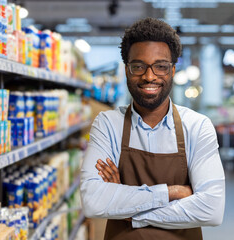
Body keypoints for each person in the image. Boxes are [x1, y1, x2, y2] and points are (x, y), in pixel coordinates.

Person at [80, 17, 225, 240]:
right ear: (127, 69)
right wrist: (172, 192)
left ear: (173, 70)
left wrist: (131, 211)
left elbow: (212, 210)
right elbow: (93, 202)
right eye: (138, 66)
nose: (149, 76)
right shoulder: (108, 124)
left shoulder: (197, 126)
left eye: (161, 66)